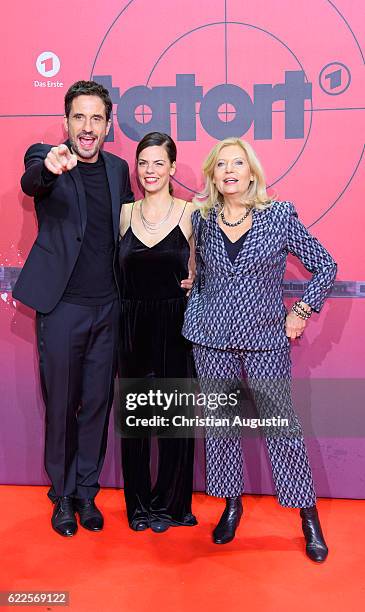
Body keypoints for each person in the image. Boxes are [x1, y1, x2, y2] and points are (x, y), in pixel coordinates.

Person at [182, 137, 337, 562]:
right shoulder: (203, 220)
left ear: (252, 172)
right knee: (222, 426)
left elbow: (326, 264)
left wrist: (302, 310)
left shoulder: (280, 216)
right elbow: (199, 272)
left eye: (238, 163)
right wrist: (192, 286)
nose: (229, 170)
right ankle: (231, 505)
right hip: (211, 338)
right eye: (221, 165)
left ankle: (308, 517)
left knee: (281, 427)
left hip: (267, 336)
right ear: (214, 174)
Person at [13, 80, 134, 537]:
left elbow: (126, 235)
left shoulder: (119, 169)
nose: (87, 127)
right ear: (66, 123)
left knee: (98, 404)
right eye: (79, 118)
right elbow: (31, 181)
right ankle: (61, 495)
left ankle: (86, 491)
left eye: (96, 119)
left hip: (109, 308)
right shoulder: (46, 155)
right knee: (62, 403)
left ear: (107, 125)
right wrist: (48, 165)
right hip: (61, 307)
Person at [118, 132, 197, 532]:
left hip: (176, 324)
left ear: (172, 167)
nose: (150, 171)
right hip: (131, 326)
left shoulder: (190, 213)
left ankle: (169, 505)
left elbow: (203, 272)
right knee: (136, 422)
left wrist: (196, 283)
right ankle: (138, 506)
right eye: (143, 162)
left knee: (172, 419)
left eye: (158, 163)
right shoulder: (125, 214)